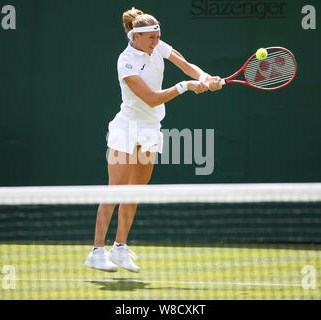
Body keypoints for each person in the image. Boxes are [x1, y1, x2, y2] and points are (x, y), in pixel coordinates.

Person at [85, 7, 222, 273]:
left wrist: (205, 78)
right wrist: (184, 87)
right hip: (127, 128)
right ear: (136, 36)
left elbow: (184, 63)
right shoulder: (125, 61)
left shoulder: (158, 47)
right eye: (151, 38)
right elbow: (150, 98)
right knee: (116, 189)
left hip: (150, 128)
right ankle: (96, 251)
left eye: (158, 36)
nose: (156, 42)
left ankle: (120, 247)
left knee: (136, 189)